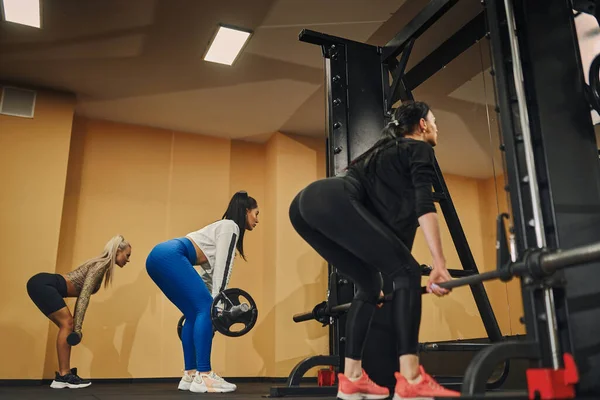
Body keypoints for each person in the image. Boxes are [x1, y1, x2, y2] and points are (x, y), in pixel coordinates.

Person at [289, 101, 460, 399]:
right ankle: (411, 380)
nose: (436, 126)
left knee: (370, 285)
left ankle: (352, 378)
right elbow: (424, 205)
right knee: (407, 271)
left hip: (303, 207)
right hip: (331, 198)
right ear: (421, 125)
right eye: (434, 120)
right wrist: (439, 263)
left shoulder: (383, 154)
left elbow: (387, 236)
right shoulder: (417, 148)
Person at [146, 191, 259, 393]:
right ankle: (205, 375)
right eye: (256, 214)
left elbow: (209, 276)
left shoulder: (219, 228)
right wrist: (218, 305)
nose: (257, 220)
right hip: (171, 255)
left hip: (157, 258)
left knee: (195, 313)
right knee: (205, 309)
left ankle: (190, 374)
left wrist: (212, 304)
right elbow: (223, 270)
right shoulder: (230, 227)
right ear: (246, 211)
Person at [26, 235, 132, 389]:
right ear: (117, 251)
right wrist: (78, 328)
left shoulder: (100, 265)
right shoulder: (100, 265)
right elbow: (83, 297)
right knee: (67, 324)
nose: (128, 260)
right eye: (127, 255)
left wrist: (75, 328)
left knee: (66, 326)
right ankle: (64, 375)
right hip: (44, 284)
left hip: (39, 284)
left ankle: (64, 375)